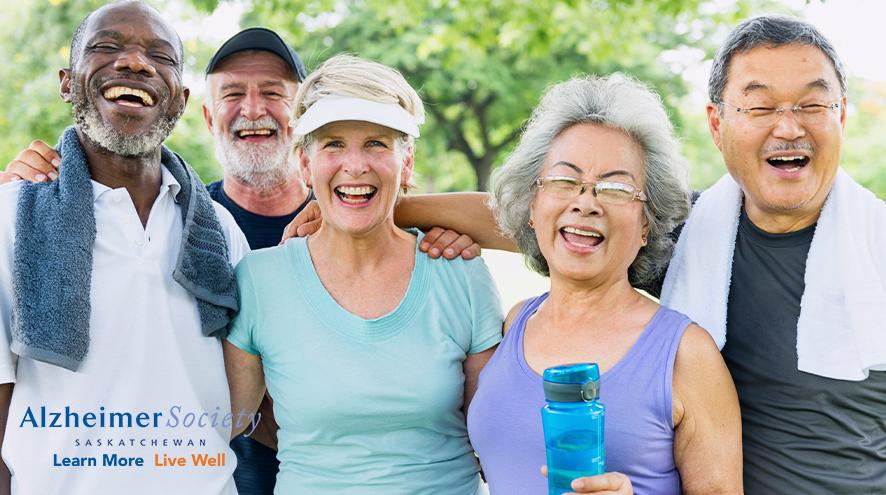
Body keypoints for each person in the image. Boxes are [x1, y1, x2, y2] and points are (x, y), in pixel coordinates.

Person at [291, 14, 886, 494]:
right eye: (759, 106)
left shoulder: (865, 255)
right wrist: (375, 209)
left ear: (840, 113)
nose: (788, 126)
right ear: (718, 122)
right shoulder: (702, 235)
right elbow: (525, 215)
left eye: (811, 104)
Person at [223, 54, 503, 493]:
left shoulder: (459, 273)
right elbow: (224, 421)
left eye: (377, 143)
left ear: (406, 163)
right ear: (304, 164)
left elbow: (497, 438)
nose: (356, 166)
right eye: (333, 143)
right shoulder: (259, 280)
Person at [0, 2, 248, 494]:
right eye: (107, 47)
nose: (135, 63)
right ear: (68, 82)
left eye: (160, 55)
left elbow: (246, 391)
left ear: (179, 98)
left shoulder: (220, 229)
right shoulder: (11, 218)